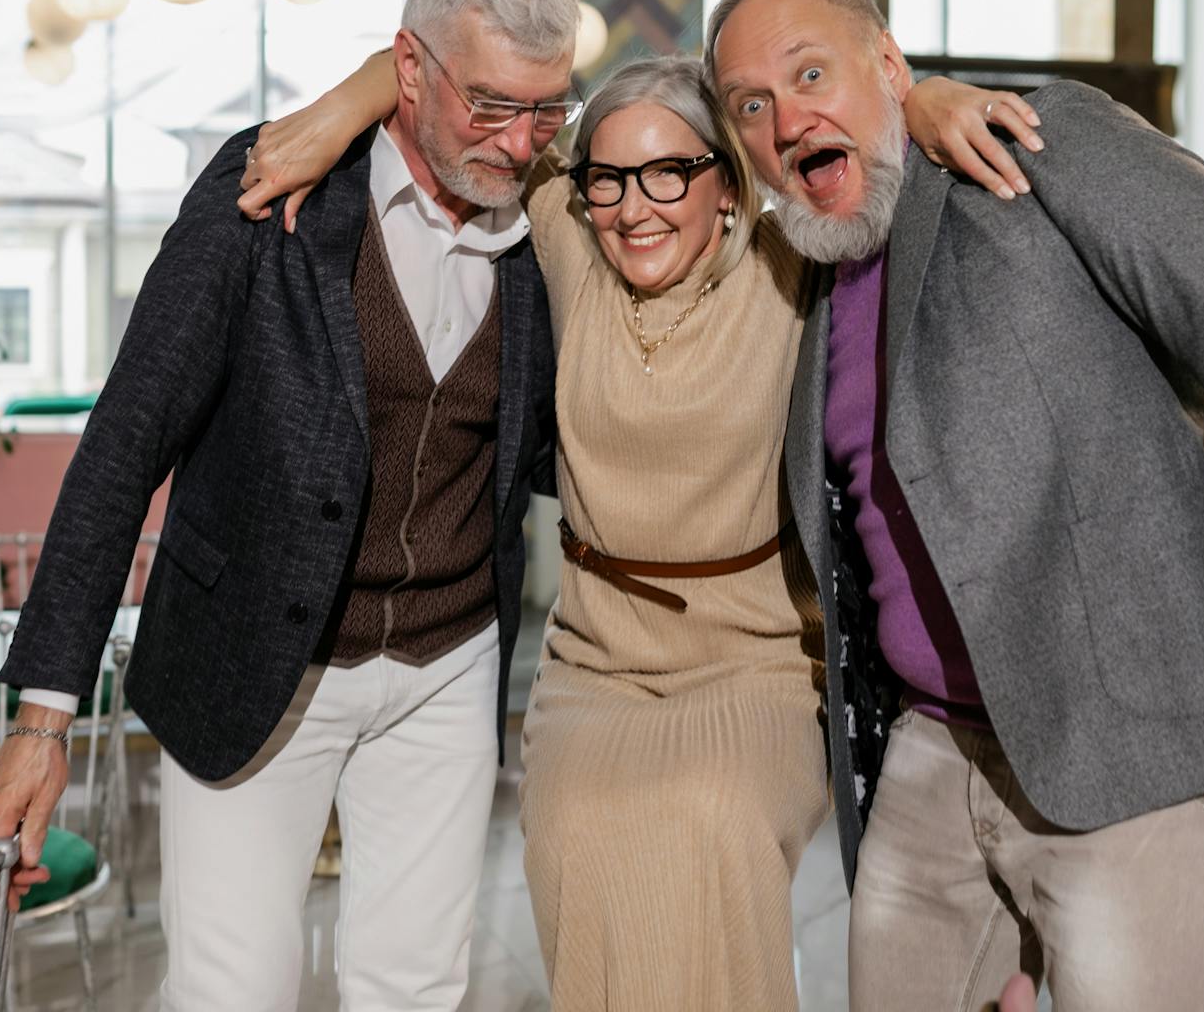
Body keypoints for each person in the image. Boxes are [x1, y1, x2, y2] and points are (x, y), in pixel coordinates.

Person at [241, 49, 1032, 1007]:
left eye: (669, 171)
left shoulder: (793, 270)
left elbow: (853, 138)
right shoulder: (576, 243)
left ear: (728, 183)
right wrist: (335, 112)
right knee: (577, 835)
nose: (634, 205)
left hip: (757, 660)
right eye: (609, 178)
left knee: (707, 828)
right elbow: (451, 81)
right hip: (598, 661)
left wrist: (923, 95)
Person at [704, 0, 1204, 1011]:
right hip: (931, 755)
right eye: (751, 104)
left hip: (1134, 755)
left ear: (890, 66)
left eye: (812, 71)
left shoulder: (1038, 142)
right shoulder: (811, 262)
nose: (787, 114)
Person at [0, 0, 573, 1012]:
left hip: (448, 662)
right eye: (490, 103)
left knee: (414, 984)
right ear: (407, 68)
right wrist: (41, 718)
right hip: (253, 649)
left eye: (548, 108)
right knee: (230, 987)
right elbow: (127, 437)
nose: (522, 139)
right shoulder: (275, 188)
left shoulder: (547, 223)